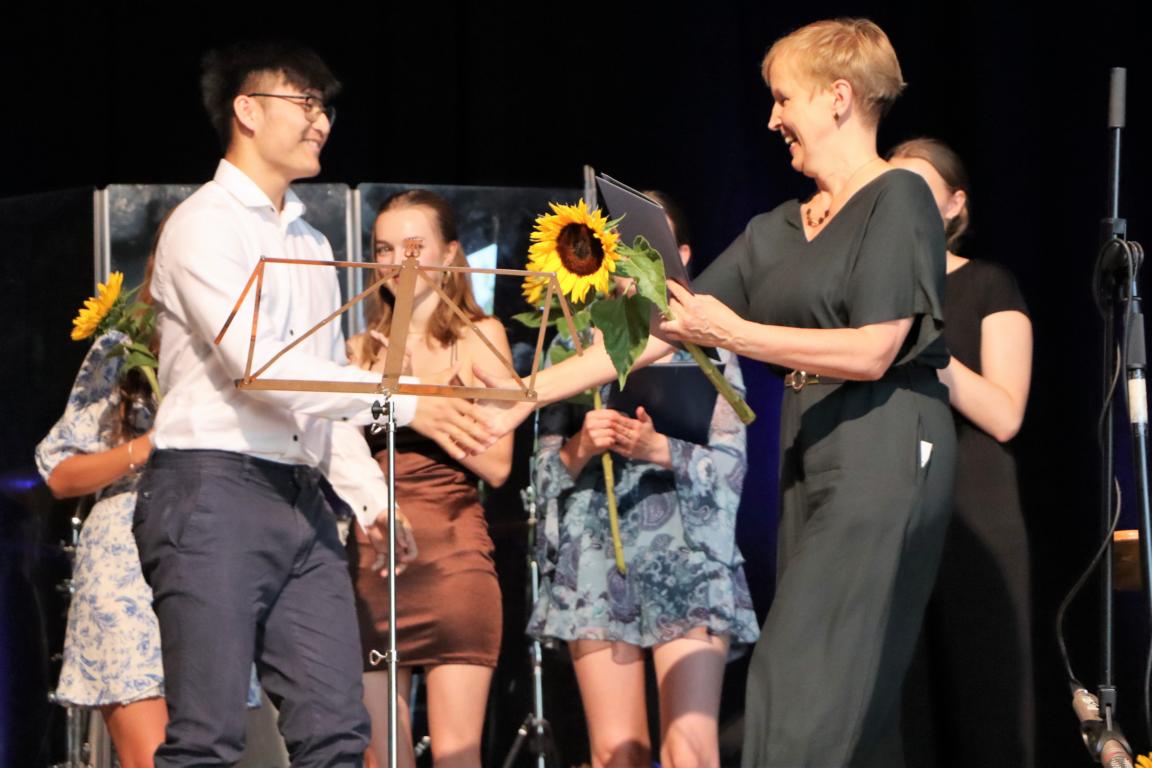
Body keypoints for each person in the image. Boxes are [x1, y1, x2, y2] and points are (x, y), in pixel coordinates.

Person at [475, 18, 955, 767]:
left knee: (803, 675)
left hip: (885, 438)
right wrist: (528, 391)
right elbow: (662, 328)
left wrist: (736, 333)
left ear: (838, 97)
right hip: (811, 440)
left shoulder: (899, 195)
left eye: (783, 98)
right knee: (838, 690)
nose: (771, 119)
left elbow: (875, 349)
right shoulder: (778, 227)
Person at [132, 41, 493, 766]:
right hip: (212, 490)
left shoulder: (312, 242)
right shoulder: (203, 224)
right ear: (246, 110)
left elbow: (323, 388)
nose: (320, 120)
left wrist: (371, 496)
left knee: (338, 733)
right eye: (303, 102)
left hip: (302, 501)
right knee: (207, 737)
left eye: (324, 106)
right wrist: (408, 403)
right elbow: (260, 368)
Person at [526, 192, 759, 768]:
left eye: (647, 248)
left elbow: (732, 468)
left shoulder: (705, 344)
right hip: (594, 560)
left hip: (688, 556)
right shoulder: (571, 341)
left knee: (689, 749)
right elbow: (540, 480)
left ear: (680, 256)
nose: (629, 260)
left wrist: (661, 449)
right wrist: (581, 447)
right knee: (616, 751)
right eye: (621, 246)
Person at [345, 190, 514, 768]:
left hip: (453, 562)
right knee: (381, 760)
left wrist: (421, 403)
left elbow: (498, 464)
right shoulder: (357, 352)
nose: (398, 260)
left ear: (450, 254)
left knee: (456, 757)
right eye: (384, 248)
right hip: (373, 564)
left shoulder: (480, 335)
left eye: (414, 246)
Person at [889, 138, 1034, 767]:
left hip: (975, 506)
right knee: (902, 705)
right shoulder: (872, 296)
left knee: (986, 696)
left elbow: (1004, 414)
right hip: (893, 507)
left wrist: (930, 349)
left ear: (955, 205)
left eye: (921, 191)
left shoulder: (987, 283)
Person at [37, 316, 164, 768]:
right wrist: (144, 448)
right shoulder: (125, 351)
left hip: (208, 557)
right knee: (152, 758)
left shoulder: (235, 352)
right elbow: (60, 474)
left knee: (205, 749)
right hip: (126, 563)